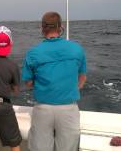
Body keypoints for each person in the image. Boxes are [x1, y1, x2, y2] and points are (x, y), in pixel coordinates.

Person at [22, 12, 87, 151]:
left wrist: (41, 85)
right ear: (60, 28)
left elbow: (28, 82)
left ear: (42, 28)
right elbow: (82, 78)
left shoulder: (33, 53)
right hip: (69, 109)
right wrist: (70, 88)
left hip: (43, 110)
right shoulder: (77, 49)